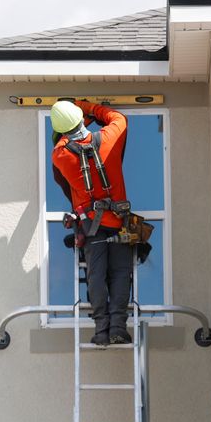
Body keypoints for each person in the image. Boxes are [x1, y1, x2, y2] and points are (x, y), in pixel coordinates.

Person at [50, 100, 133, 346]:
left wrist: (78, 121)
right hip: (119, 221)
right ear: (79, 118)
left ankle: (101, 330)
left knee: (96, 276)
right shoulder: (111, 135)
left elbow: (62, 141)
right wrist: (88, 106)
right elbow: (116, 116)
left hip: (91, 226)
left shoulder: (61, 155)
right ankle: (118, 327)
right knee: (120, 274)